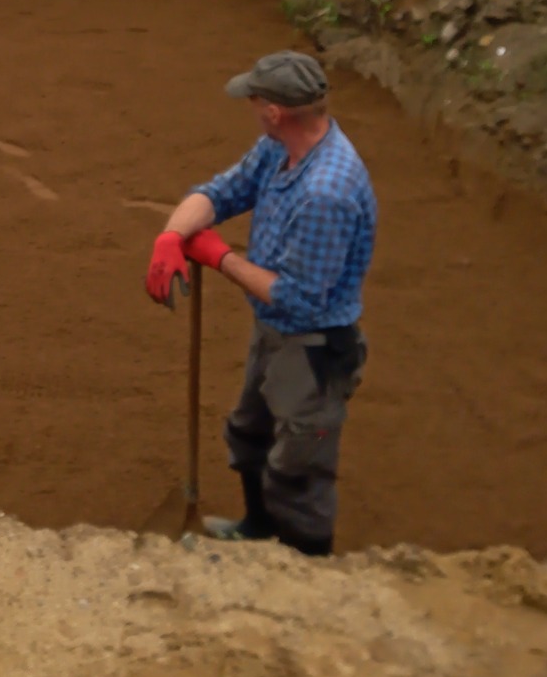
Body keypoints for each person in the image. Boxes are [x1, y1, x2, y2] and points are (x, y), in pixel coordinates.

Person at [144, 51, 377, 557]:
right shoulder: (279, 149)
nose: (249, 104)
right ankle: (255, 528)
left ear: (274, 111)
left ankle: (301, 572)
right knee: (249, 433)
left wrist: (218, 255)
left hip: (312, 346)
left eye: (254, 97)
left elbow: (298, 298)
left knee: (298, 469)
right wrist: (172, 235)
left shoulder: (325, 193)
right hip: (274, 332)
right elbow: (222, 192)